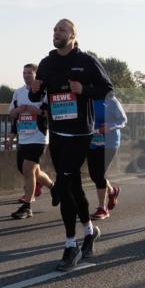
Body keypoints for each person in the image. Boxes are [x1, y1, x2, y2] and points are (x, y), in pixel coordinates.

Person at [29, 19, 114, 271]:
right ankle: (89, 232)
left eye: (62, 30)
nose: (57, 33)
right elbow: (38, 96)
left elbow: (107, 90)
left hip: (79, 133)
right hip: (57, 132)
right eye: (54, 29)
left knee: (64, 186)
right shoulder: (46, 63)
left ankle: (70, 245)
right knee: (74, 186)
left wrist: (83, 89)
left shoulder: (86, 61)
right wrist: (35, 90)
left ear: (74, 36)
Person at [7, 64, 55, 220]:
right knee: (32, 171)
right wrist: (18, 112)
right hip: (23, 137)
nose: (26, 75)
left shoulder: (44, 93)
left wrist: (39, 112)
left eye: (30, 73)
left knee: (28, 171)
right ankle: (53, 188)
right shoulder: (18, 93)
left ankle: (27, 207)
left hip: (39, 137)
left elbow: (53, 113)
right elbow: (12, 114)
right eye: (24, 73)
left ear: (36, 75)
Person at [87, 92, 127, 220]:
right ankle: (112, 191)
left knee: (98, 174)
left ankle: (102, 208)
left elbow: (123, 120)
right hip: (92, 142)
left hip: (109, 143)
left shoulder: (111, 100)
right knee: (94, 175)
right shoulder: (86, 98)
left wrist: (110, 126)